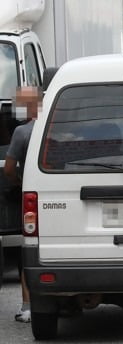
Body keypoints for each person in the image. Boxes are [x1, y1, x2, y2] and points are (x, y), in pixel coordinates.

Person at [4, 86, 42, 323]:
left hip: (31, 197)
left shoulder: (21, 132)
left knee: (28, 247)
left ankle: (27, 306)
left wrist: (20, 182)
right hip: (54, 195)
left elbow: (8, 169)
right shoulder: (56, 127)